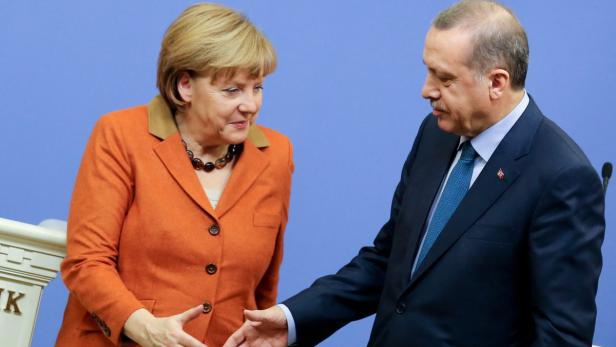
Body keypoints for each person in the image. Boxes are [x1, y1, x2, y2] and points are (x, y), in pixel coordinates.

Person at [224, 1, 605, 346]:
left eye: (445, 79)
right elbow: (390, 261)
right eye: (428, 72)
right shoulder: (436, 135)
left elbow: (561, 337)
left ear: (496, 82)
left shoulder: (562, 177)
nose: (427, 90)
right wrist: (292, 319)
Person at [55, 3, 294, 347]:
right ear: (185, 86)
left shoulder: (276, 154)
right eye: (232, 90)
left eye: (257, 87)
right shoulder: (120, 134)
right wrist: (145, 328)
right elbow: (87, 262)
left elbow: (263, 290)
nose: (251, 104)